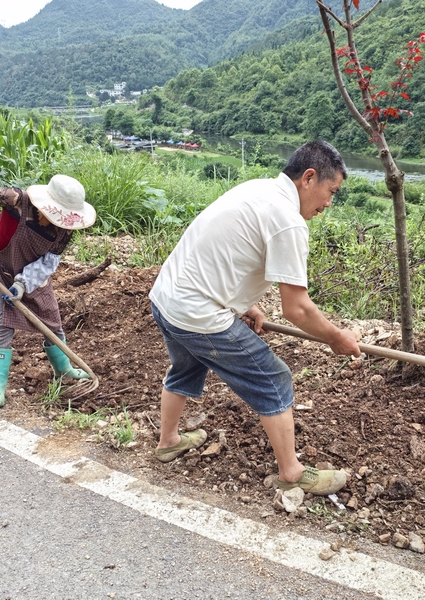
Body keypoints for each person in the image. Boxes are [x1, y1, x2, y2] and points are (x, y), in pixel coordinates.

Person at [149, 140, 361, 496]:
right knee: (274, 379)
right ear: (309, 178)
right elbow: (298, 309)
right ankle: (291, 473)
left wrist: (242, 303)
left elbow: (223, 252)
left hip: (167, 297)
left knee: (186, 366)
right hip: (198, 313)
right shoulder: (288, 222)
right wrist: (336, 337)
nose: (328, 203)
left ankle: (169, 440)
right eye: (331, 191)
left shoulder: (258, 189)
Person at [0, 174, 96, 408]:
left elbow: (49, 262)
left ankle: (64, 370)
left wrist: (22, 283)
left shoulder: (65, 230)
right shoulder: (16, 200)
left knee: (52, 320)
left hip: (33, 274)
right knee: (2, 324)